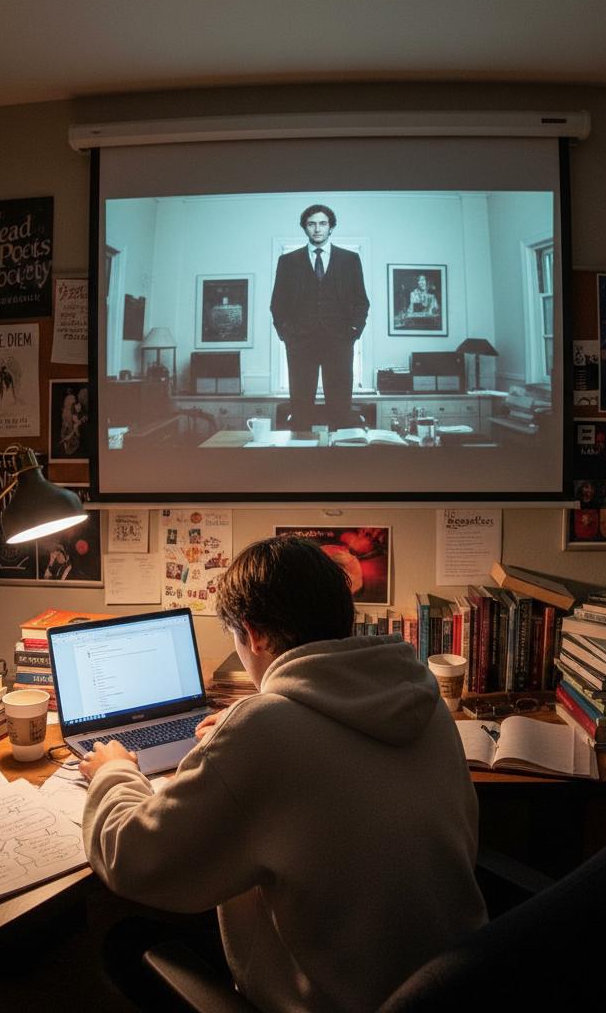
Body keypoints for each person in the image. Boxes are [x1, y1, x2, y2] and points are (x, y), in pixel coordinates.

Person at [79, 535, 486, 1013]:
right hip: (454, 986)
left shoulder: (262, 733)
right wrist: (244, 736)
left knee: (125, 941)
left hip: (336, 1003)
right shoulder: (420, 694)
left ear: (253, 635)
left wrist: (113, 772)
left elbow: (129, 856)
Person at [270, 205, 370, 431]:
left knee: (340, 405)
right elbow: (277, 303)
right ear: (305, 227)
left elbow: (361, 301)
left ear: (331, 227)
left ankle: (340, 450)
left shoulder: (350, 259)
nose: (317, 229)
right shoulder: (288, 261)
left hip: (339, 341)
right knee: (300, 405)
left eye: (323, 223)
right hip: (300, 342)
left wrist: (354, 331)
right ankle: (300, 450)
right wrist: (287, 335)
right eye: (311, 224)